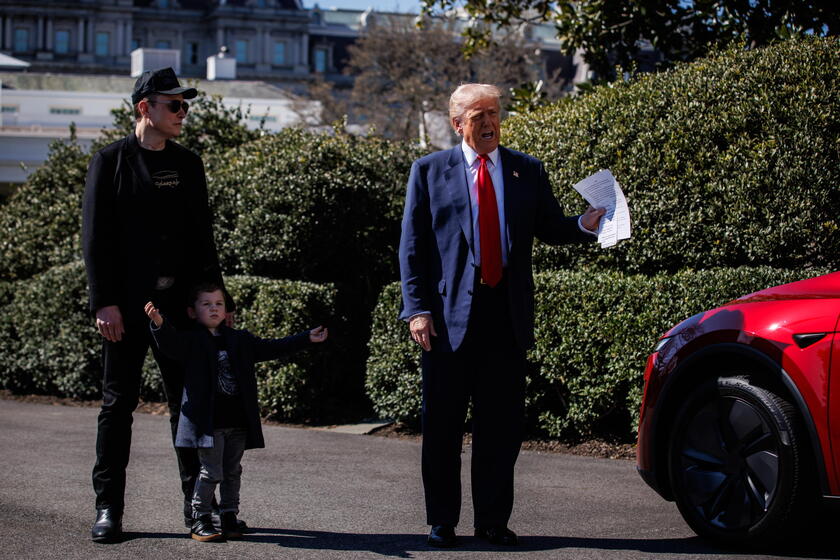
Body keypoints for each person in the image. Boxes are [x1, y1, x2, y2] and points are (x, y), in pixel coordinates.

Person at [398, 83, 605, 548]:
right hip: (447, 321)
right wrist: (417, 310)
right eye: (478, 116)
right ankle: (442, 521)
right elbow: (412, 249)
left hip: (505, 318)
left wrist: (585, 224)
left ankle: (492, 521)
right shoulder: (428, 171)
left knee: (500, 428)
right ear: (457, 124)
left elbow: (551, 226)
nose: (489, 123)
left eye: (493, 113)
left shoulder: (525, 170)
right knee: (443, 429)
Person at [82, 67, 230, 542]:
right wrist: (104, 302)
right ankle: (108, 509)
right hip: (124, 308)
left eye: (185, 105)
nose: (183, 113)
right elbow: (95, 240)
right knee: (117, 405)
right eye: (175, 105)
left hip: (179, 307)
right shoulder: (110, 162)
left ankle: (198, 511)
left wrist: (215, 301)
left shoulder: (188, 164)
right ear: (146, 107)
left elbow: (203, 238)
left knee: (188, 407)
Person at [145, 283, 328, 541]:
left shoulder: (238, 339)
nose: (213, 308)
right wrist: (159, 324)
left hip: (237, 421)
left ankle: (229, 516)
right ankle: (200, 518)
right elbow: (170, 346)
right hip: (208, 423)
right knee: (211, 472)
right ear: (192, 312)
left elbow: (272, 347)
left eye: (218, 304)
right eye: (206, 304)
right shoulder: (191, 340)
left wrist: (306, 338)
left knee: (233, 471)